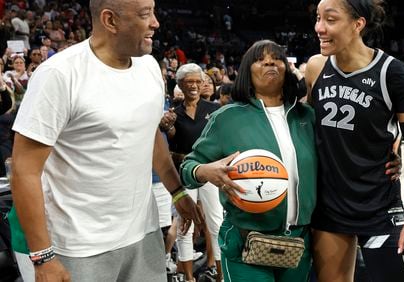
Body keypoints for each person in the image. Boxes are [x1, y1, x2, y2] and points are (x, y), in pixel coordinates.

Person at [8, 0, 203, 281]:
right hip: (79, 246)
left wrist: (177, 191)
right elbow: (24, 170)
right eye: (145, 14)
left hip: (143, 234)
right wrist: (42, 256)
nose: (156, 22)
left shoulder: (149, 67)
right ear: (110, 20)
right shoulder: (59, 75)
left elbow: (149, 136)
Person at [306, 0, 404, 281]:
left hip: (379, 206)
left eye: (330, 19)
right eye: (317, 18)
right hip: (330, 206)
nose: (319, 28)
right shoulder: (315, 68)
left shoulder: (392, 72)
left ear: (357, 24)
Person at [180, 39, 317, 282]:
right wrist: (204, 171)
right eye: (259, 59)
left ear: (287, 69)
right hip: (245, 241)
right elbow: (187, 168)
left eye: (277, 58)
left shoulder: (306, 116)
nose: (269, 61)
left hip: (298, 241)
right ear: (246, 72)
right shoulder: (226, 118)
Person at [162, 63, 223, 282]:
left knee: (216, 223)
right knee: (184, 225)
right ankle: (188, 277)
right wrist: (167, 128)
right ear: (180, 85)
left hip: (208, 172)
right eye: (190, 82)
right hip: (185, 175)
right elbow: (170, 142)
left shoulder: (214, 110)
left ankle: (220, 274)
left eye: (198, 81)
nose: (195, 86)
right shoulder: (173, 115)